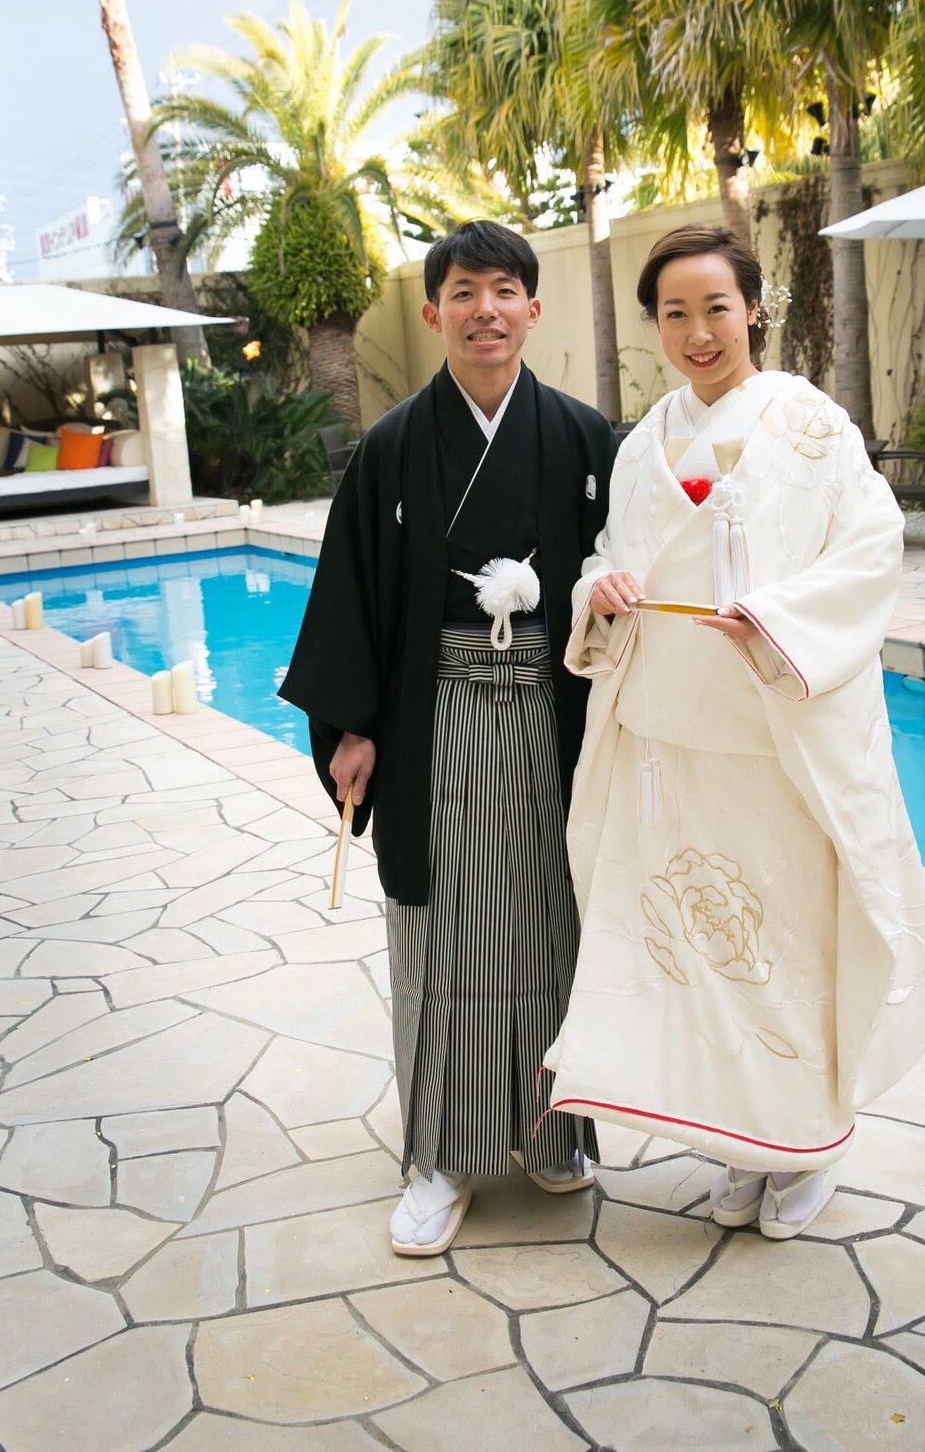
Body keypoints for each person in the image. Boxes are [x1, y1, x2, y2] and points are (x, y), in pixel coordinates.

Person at [544, 222, 925, 1240]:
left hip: (775, 741)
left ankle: (806, 1140)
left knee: (783, 955)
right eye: (674, 313)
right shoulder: (643, 443)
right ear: (655, 323)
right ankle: (740, 1143)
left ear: (753, 309)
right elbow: (608, 554)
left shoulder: (810, 425)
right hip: (671, 747)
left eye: (715, 308)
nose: (697, 332)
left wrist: (777, 620)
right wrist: (600, 591)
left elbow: (870, 548)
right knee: (702, 962)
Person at [280, 220, 617, 1257]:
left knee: (555, 924)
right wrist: (353, 725)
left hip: (556, 718)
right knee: (442, 937)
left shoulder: (583, 438)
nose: (485, 310)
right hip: (436, 721)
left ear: (533, 308)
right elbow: (352, 594)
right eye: (463, 291)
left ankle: (553, 1133)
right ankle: (441, 1154)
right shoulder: (391, 447)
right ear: (434, 312)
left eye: (503, 290)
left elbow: (629, 574)